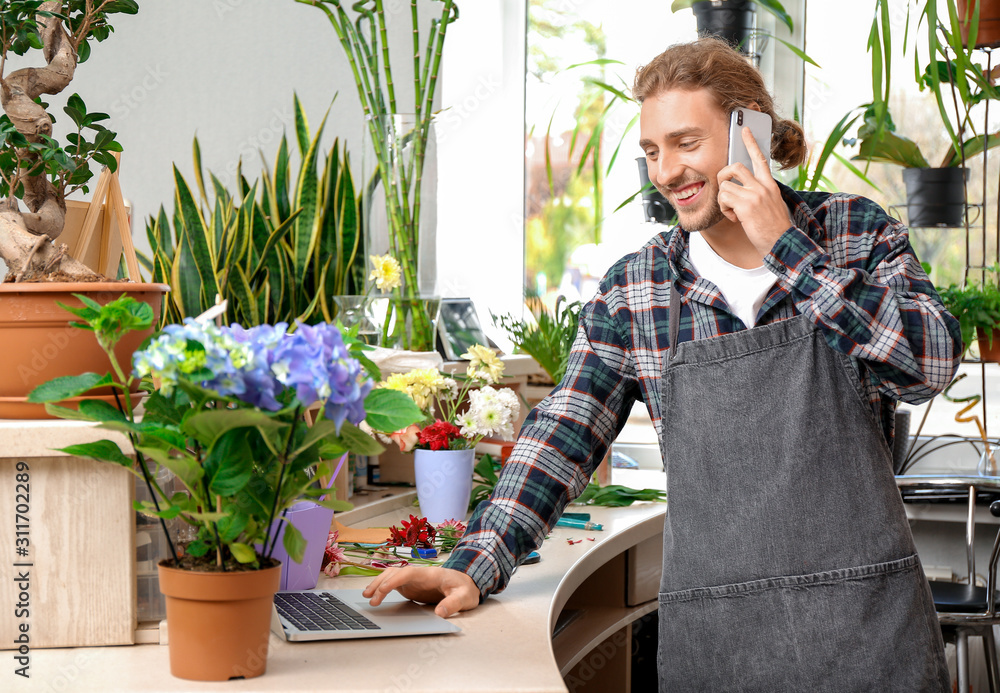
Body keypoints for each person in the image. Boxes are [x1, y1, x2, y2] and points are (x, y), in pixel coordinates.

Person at [363, 38, 962, 691]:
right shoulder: (637, 290)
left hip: (868, 639)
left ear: (749, 131)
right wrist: (475, 560)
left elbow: (928, 364)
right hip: (721, 648)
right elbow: (562, 436)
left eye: (685, 143)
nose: (665, 171)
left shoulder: (853, 233)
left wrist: (787, 249)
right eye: (651, 150)